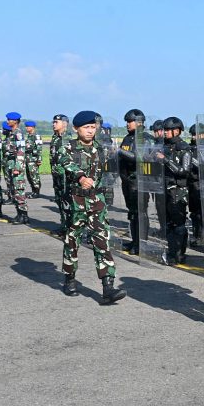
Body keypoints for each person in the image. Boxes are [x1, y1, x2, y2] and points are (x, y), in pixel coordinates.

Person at [56, 111, 127, 304]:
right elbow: (66, 163)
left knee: (102, 241)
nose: (90, 131)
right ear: (76, 129)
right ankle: (69, 278)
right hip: (76, 201)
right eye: (86, 127)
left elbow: (111, 168)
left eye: (92, 127)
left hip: (97, 201)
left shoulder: (100, 148)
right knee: (72, 241)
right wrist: (80, 176)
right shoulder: (67, 148)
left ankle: (108, 287)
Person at [160, 116, 192, 264]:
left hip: (178, 190)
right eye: (164, 130)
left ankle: (180, 254)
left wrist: (166, 160)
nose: (165, 132)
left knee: (179, 224)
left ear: (177, 131)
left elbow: (184, 171)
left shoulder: (184, 148)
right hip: (165, 189)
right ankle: (171, 251)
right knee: (169, 224)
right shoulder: (164, 147)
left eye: (168, 130)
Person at [118, 108, 149, 255]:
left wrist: (118, 151)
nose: (127, 124)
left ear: (139, 122)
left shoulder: (143, 138)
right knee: (132, 213)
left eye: (129, 122)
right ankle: (134, 241)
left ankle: (141, 243)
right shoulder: (127, 138)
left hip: (139, 181)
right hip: (127, 181)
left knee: (140, 213)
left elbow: (137, 157)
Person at [4, 112, 29, 224]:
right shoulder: (11, 134)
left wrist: (17, 167)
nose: (8, 121)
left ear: (15, 121)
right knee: (14, 191)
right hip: (11, 164)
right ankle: (19, 214)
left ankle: (24, 216)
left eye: (10, 120)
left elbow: (21, 151)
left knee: (19, 190)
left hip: (16, 166)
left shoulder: (18, 134)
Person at [188, 122, 204, 248]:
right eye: (192, 135)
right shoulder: (190, 148)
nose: (194, 137)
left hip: (202, 184)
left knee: (202, 213)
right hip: (191, 183)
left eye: (196, 135)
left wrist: (194, 162)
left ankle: (202, 236)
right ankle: (197, 235)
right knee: (194, 212)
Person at [49, 114, 71, 234]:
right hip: (56, 174)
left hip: (64, 175)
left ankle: (69, 227)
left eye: (56, 122)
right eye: (53, 122)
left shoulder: (67, 138)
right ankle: (63, 225)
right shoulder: (55, 137)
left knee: (66, 201)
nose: (54, 124)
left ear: (64, 124)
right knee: (59, 200)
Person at [24, 120, 43, 198]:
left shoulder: (36, 136)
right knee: (29, 176)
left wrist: (39, 159)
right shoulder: (29, 136)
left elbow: (39, 148)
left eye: (28, 126)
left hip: (33, 159)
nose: (27, 128)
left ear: (33, 127)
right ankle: (33, 190)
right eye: (26, 126)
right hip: (28, 159)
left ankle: (36, 191)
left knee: (34, 176)